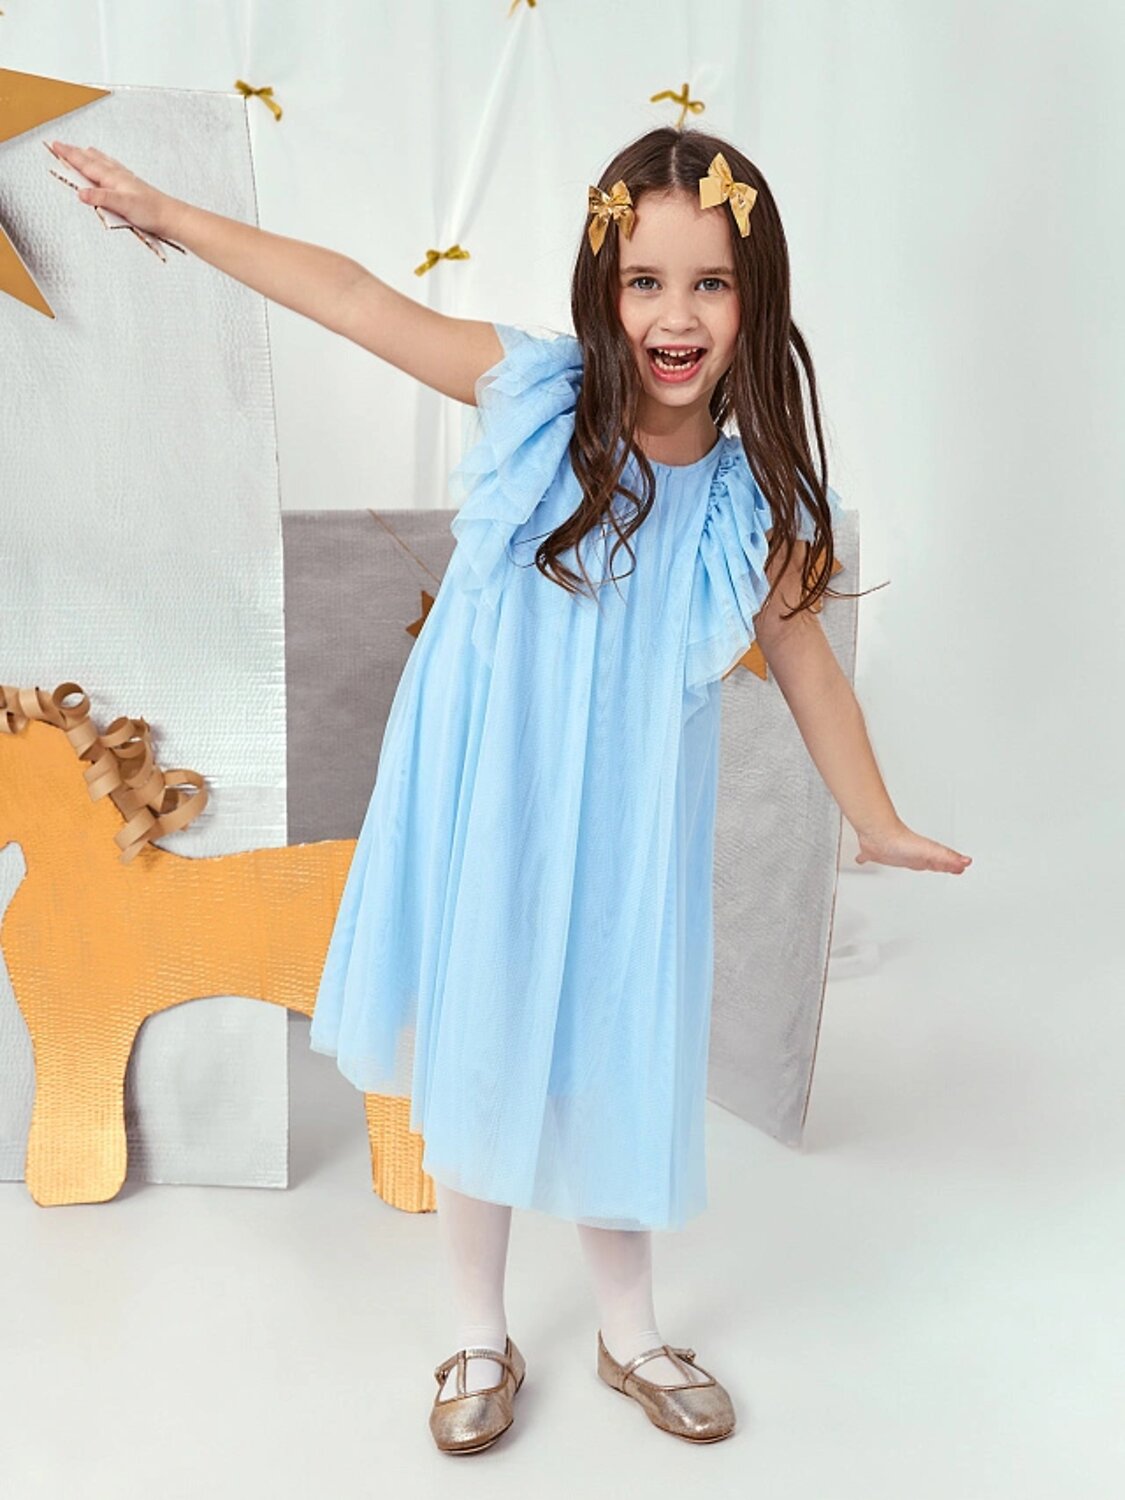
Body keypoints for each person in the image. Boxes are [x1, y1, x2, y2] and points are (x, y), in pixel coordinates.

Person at [49, 124, 971, 1454]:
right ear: (603, 286)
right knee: (478, 1046)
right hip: (488, 802)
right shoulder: (536, 399)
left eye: (709, 283)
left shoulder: (745, 504)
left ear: (753, 299)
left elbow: (811, 672)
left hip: (626, 832)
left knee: (616, 1051)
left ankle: (628, 1330)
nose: (675, 316)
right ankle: (479, 1333)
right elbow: (355, 297)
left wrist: (875, 821)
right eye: (645, 281)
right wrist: (172, 216)